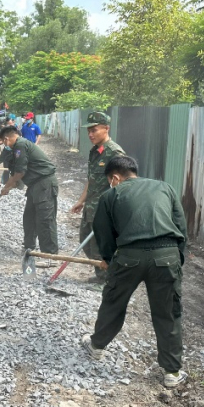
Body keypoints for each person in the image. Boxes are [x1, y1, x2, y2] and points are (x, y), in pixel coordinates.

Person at [82, 156, 188, 389]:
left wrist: (110, 260)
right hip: (166, 256)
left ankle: (97, 347)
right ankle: (171, 372)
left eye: (111, 180)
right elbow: (180, 225)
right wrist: (177, 257)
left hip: (129, 257)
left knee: (113, 302)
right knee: (168, 311)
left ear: (115, 178)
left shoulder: (111, 195)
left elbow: (103, 233)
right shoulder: (165, 187)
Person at [71, 111, 126, 280]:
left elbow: (123, 185)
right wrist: (81, 201)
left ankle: (106, 279)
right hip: (91, 207)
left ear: (106, 129)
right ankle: (102, 274)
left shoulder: (115, 153)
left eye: (94, 130)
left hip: (104, 209)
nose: (90, 134)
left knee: (102, 245)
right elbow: (92, 179)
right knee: (88, 243)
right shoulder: (95, 151)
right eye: (89, 130)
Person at [0, 125, 59, 260]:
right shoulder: (18, 147)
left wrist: (6, 187)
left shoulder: (20, 145)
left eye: (4, 142)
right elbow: (18, 174)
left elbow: (20, 172)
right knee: (29, 218)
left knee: (45, 219)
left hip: (44, 183)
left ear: (7, 139)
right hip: (34, 185)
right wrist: (10, 186)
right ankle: (29, 247)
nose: (5, 146)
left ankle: (50, 255)